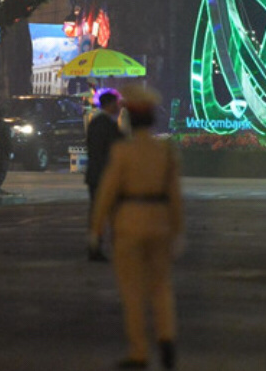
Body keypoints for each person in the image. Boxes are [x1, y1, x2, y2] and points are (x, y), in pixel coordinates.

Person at [90, 84, 183, 370]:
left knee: (132, 291)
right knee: (161, 285)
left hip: (129, 221)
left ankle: (139, 351)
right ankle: (166, 337)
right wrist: (178, 230)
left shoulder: (123, 152)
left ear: (131, 118)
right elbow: (175, 195)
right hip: (160, 221)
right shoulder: (165, 151)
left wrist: (96, 229)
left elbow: (107, 192)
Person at [85, 89, 125, 261]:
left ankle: (97, 246)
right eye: (117, 103)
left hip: (98, 175)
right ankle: (97, 247)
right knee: (101, 213)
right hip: (102, 176)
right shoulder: (104, 124)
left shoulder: (99, 122)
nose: (119, 107)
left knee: (99, 213)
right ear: (110, 104)